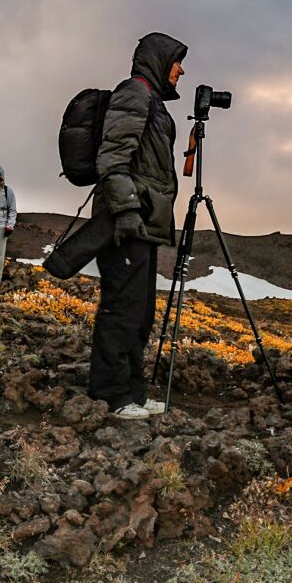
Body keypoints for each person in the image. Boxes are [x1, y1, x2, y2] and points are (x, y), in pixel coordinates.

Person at [89, 32, 187, 421]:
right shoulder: (134, 94)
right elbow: (112, 158)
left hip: (142, 223)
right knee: (122, 310)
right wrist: (127, 210)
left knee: (140, 312)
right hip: (125, 223)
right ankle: (111, 395)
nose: (182, 70)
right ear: (160, 61)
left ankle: (133, 392)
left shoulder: (152, 101)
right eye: (177, 61)